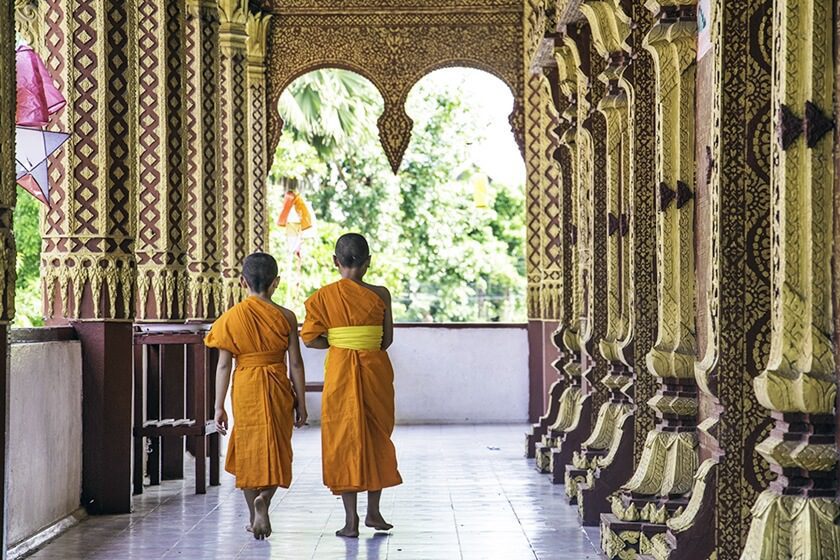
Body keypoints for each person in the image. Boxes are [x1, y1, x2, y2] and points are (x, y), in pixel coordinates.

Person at [301, 233, 402, 538]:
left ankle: (351, 521)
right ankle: (374, 512)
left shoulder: (322, 297)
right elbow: (387, 340)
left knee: (343, 438)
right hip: (375, 370)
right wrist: (360, 341)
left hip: (341, 371)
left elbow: (309, 338)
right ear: (368, 262)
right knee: (377, 436)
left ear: (335, 262)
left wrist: (339, 341)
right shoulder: (381, 294)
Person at [206, 252, 307, 540]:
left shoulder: (230, 318)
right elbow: (296, 364)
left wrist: (218, 407)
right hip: (276, 381)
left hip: (246, 383)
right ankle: (266, 498)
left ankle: (254, 515)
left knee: (248, 447)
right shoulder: (286, 316)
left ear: (242, 282)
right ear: (276, 283)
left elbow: (223, 365)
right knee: (278, 446)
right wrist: (300, 400)